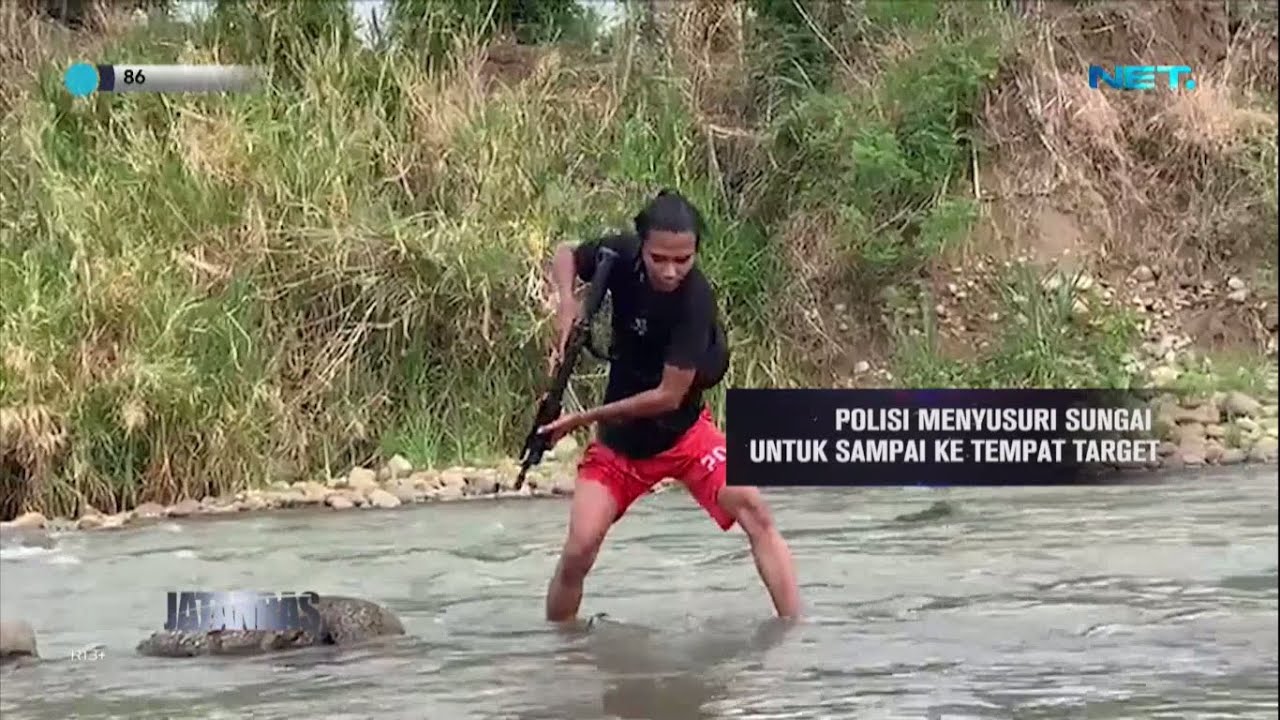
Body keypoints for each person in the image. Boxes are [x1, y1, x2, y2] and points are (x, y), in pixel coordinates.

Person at [537, 189, 802, 624]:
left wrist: (582, 419)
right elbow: (565, 253)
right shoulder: (616, 255)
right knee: (579, 549)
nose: (671, 270)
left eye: (683, 259)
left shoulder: (696, 299)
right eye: (659, 258)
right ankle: (561, 654)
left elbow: (667, 396)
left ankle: (797, 634)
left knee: (754, 508)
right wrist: (566, 300)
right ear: (641, 246)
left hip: (686, 436)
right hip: (619, 452)